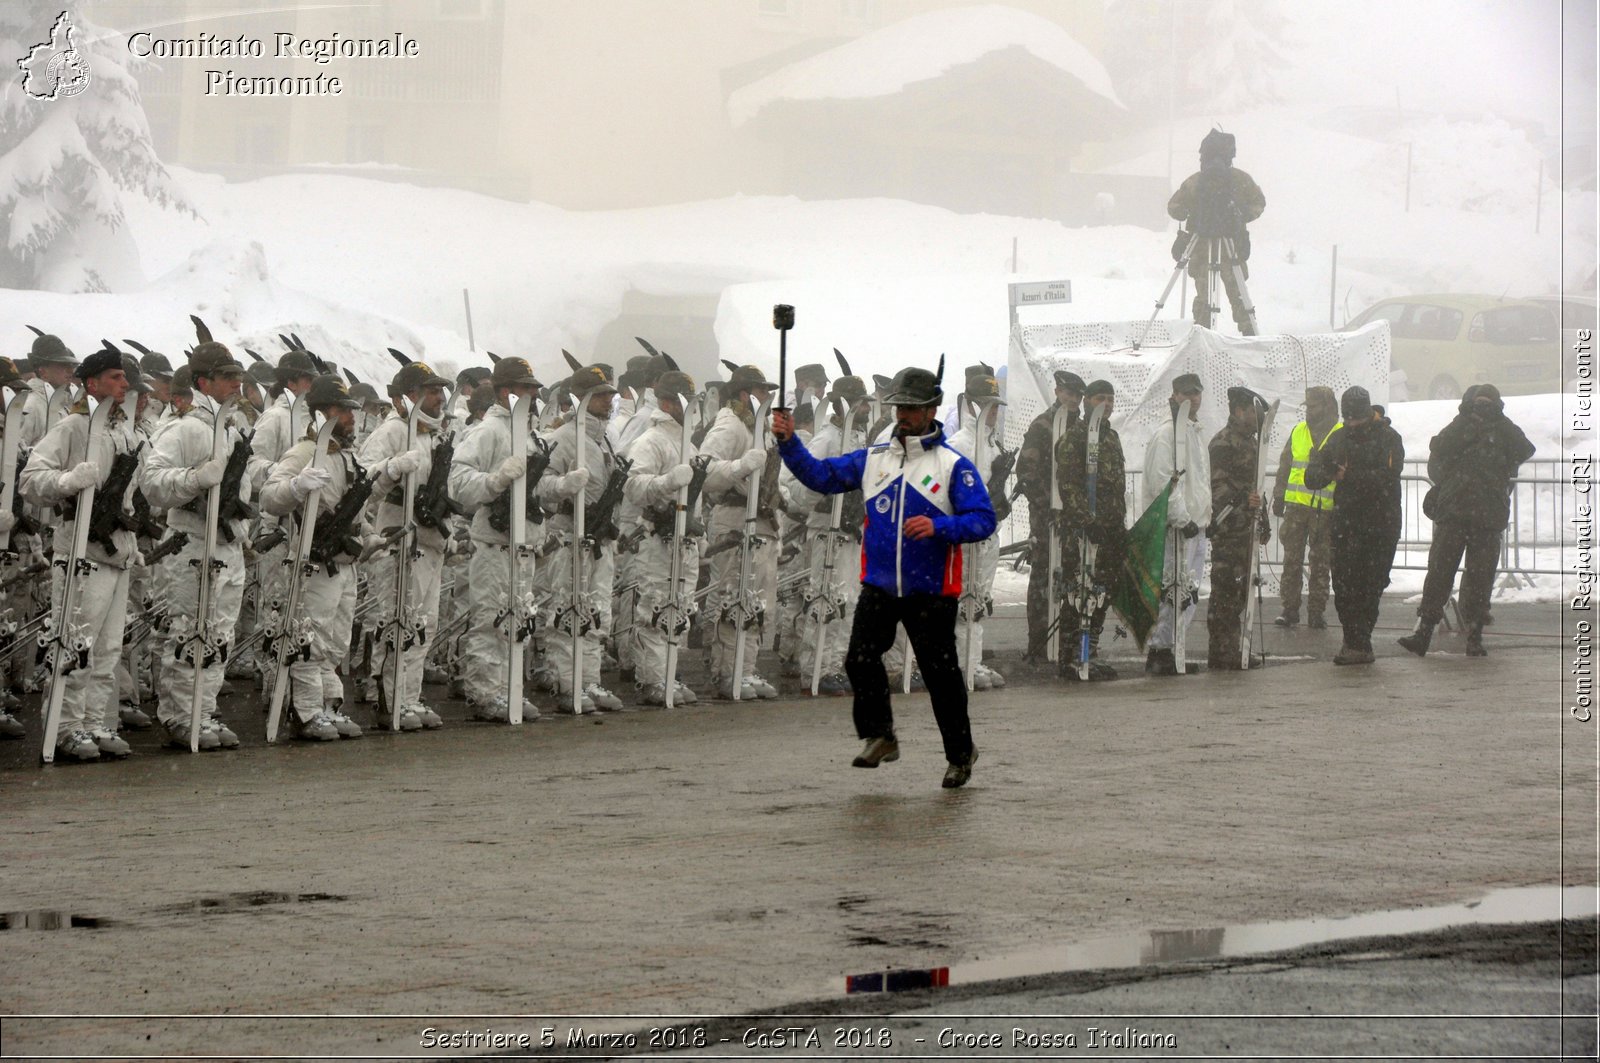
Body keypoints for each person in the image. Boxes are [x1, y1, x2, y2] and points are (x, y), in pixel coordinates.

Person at [772, 361, 995, 789]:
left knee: (940, 677)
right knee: (858, 658)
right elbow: (821, 476)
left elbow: (983, 520)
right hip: (879, 585)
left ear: (932, 410)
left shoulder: (953, 465)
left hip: (931, 590)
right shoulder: (873, 459)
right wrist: (788, 445)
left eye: (912, 408)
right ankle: (880, 735)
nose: (903, 415)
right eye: (899, 408)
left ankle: (960, 754)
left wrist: (940, 527)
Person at [19, 349, 139, 761]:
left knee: (107, 651)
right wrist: (67, 480)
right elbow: (31, 480)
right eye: (115, 377)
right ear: (92, 384)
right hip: (80, 553)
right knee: (75, 645)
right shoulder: (72, 427)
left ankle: (94, 722)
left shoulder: (123, 431)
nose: (124, 384)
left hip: (115, 553)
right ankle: (66, 728)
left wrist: (133, 544)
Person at [139, 341, 254, 750]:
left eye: (239, 375)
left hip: (227, 544)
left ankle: (203, 712)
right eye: (228, 377)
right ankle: (180, 717)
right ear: (204, 382)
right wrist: (195, 478)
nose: (237, 383)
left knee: (219, 637)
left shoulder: (230, 429)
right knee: (188, 635)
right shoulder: (186, 427)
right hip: (192, 544)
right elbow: (151, 482)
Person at [259, 375, 373, 741]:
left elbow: (356, 511)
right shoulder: (305, 452)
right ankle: (307, 711)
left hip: (343, 561)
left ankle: (329, 703)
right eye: (344, 411)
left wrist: (369, 534)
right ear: (324, 413)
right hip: (314, 560)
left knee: (337, 640)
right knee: (310, 639)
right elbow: (269, 495)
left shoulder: (347, 455)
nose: (352, 417)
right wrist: (295, 486)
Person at [448, 356, 551, 721]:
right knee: (491, 621)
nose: (533, 395)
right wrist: (493, 481)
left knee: (518, 620)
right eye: (526, 389)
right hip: (494, 540)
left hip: (523, 541)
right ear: (506, 391)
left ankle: (509, 689)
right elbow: (458, 480)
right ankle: (484, 693)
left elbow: (536, 488)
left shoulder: (530, 432)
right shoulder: (488, 430)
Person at [1398, 384, 1534, 658]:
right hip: (1455, 513)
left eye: (1488, 403)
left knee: (1480, 578)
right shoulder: (1460, 425)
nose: (1482, 408)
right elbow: (1438, 447)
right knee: (1439, 573)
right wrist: (1465, 418)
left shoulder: (1503, 430)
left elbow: (1525, 449)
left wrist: (1498, 418)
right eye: (1478, 403)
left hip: (1487, 516)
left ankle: (1475, 636)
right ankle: (1423, 632)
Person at [358, 360, 453, 729]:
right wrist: (393, 468)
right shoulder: (394, 430)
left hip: (428, 539)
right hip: (399, 536)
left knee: (422, 625)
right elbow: (362, 478)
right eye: (432, 391)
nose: (440, 398)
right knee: (398, 623)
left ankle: (409, 698)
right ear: (410, 396)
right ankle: (390, 702)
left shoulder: (430, 434)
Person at [536, 364, 627, 713]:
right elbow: (537, 483)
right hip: (568, 530)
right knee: (565, 610)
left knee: (596, 611)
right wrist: (562, 485)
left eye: (609, 395)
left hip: (598, 534)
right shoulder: (563, 437)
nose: (608, 400)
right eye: (601, 395)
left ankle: (589, 680)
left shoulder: (604, 437)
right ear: (584, 399)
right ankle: (566, 682)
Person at [1304, 386, 1404, 665]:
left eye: (1356, 418)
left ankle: (1360, 642)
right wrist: (1326, 470)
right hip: (1346, 524)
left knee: (1371, 585)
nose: (1352, 424)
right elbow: (1312, 477)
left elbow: (1388, 476)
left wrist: (1348, 476)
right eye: (1348, 419)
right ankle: (1354, 641)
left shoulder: (1389, 439)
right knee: (1345, 585)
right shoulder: (1339, 438)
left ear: (1368, 413)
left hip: (1381, 524)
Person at [698, 365, 779, 700]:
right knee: (733, 598)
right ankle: (729, 672)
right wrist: (742, 466)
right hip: (734, 516)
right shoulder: (730, 425)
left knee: (756, 601)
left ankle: (746, 668)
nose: (768, 398)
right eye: (762, 392)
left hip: (760, 517)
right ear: (745, 394)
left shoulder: (758, 428)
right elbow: (703, 468)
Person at [1053, 379, 1126, 679]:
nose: (1106, 404)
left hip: (1108, 529)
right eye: (1100, 398)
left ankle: (1090, 651)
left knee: (1102, 591)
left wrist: (1118, 523)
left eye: (1110, 398)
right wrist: (1087, 521)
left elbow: (1117, 485)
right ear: (1087, 402)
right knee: (1077, 592)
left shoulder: (1112, 438)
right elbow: (1069, 486)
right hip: (1082, 532)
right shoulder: (1073, 439)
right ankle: (1070, 656)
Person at [1013, 370, 1084, 661]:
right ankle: (1039, 642)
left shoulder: (1081, 428)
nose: (1073, 399)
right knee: (1043, 574)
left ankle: (1066, 639)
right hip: (1046, 516)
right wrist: (1047, 506)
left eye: (1078, 395)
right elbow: (1026, 472)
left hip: (1073, 517)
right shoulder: (1042, 426)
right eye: (1069, 393)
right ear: (1058, 392)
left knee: (1071, 574)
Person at [1167, 129, 1266, 334]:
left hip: (1205, 247)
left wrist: (1185, 212)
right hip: (1228, 247)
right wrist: (1241, 215)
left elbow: (1174, 206)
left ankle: (1202, 335)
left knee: (1206, 296)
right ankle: (1249, 335)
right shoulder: (1240, 179)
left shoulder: (1195, 181)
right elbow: (1259, 202)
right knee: (1237, 294)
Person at [1143, 373, 1211, 675]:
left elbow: (1199, 481)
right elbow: (1163, 482)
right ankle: (1160, 649)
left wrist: (1204, 516)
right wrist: (1180, 518)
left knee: (1189, 591)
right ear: (1174, 395)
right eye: (1187, 394)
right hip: (1175, 528)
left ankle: (1175, 647)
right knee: (1170, 589)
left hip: (1197, 526)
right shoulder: (1166, 435)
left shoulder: (1194, 433)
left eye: (1196, 394)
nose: (1193, 399)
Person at [946, 371, 1008, 689]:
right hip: (966, 536)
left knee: (979, 600)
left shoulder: (991, 444)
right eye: (989, 406)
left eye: (996, 407)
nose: (994, 413)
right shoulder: (960, 444)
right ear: (973, 406)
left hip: (987, 535)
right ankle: (959, 664)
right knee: (963, 600)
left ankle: (973, 660)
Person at [1206, 387, 1272, 670]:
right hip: (1230, 527)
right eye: (1253, 414)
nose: (1257, 421)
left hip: (1248, 527)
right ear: (1239, 410)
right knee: (1225, 589)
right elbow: (1217, 487)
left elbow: (1257, 485)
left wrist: (1263, 520)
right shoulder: (1223, 443)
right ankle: (1221, 650)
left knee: (1242, 588)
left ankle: (1235, 646)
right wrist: (1242, 502)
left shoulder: (1253, 444)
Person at [1272, 386, 1340, 629]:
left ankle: (1316, 612)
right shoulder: (1299, 431)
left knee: (1321, 563)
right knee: (1291, 561)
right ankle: (1289, 609)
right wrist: (1278, 497)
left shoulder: (1339, 433)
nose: (1308, 411)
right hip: (1296, 509)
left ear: (1327, 406)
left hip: (1325, 509)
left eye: (1313, 406)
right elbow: (1285, 466)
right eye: (1307, 406)